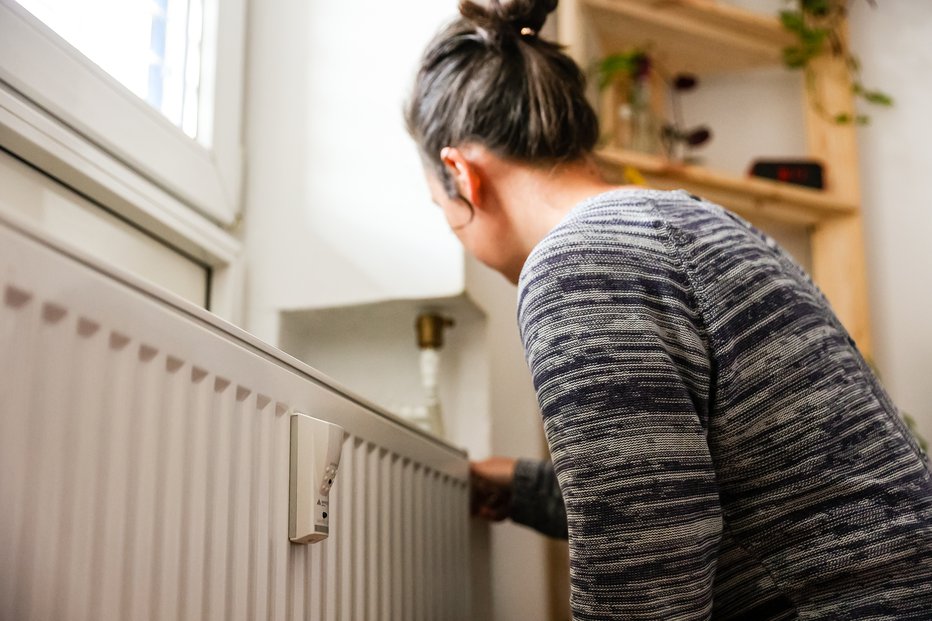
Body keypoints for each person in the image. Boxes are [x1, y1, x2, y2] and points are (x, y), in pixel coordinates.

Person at [404, 0, 932, 619]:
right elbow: (687, 498)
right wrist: (520, 486)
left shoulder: (581, 262)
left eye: (442, 213)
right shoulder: (695, 224)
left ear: (460, 174)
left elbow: (642, 591)